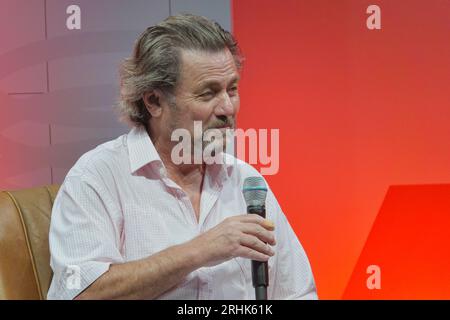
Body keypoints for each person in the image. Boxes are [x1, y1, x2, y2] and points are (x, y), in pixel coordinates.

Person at [47, 14, 317, 300]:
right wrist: (200, 250)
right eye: (207, 93)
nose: (228, 107)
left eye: (232, 89)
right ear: (154, 101)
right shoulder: (97, 176)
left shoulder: (246, 181)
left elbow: (297, 293)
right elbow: (79, 294)